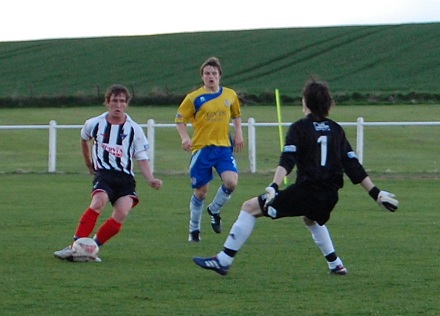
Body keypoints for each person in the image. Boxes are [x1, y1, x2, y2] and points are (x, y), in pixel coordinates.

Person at [193, 78, 398, 275]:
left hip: (306, 193)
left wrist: (274, 184)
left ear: (306, 102)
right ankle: (336, 264)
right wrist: (376, 194)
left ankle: (223, 260)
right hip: (329, 197)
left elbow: (287, 160)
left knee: (249, 208)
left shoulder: (300, 127)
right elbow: (353, 166)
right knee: (311, 218)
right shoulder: (336, 130)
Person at [54, 84, 163, 262]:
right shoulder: (95, 123)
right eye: (114, 101)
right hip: (104, 174)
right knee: (98, 202)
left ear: (127, 104)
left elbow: (141, 157)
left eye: (121, 101)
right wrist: (88, 163)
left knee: (121, 214)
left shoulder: (134, 129)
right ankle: (75, 247)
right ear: (107, 103)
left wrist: (150, 179)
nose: (118, 105)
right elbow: (84, 138)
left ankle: (91, 248)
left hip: (125, 178)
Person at [175, 57, 244, 242]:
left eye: (214, 73)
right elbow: (179, 119)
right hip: (202, 149)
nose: (210, 76)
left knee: (231, 182)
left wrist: (239, 133)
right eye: (207, 73)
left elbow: (237, 114)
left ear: (220, 75)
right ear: (202, 77)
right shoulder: (193, 98)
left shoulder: (230, 95)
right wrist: (184, 138)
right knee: (200, 192)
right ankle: (194, 230)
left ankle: (214, 209)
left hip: (223, 147)